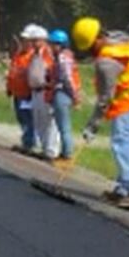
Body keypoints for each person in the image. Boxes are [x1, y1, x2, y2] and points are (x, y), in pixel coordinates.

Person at [72, 17, 129, 209]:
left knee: (121, 142)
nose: (90, 53)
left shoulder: (106, 62)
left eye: (89, 48)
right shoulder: (121, 41)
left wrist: (92, 125)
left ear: (95, 41)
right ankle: (124, 189)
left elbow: (105, 98)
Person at [47, 29, 81, 164]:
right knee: (61, 126)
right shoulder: (64, 57)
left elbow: (68, 78)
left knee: (64, 126)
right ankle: (64, 153)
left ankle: (67, 155)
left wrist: (75, 97)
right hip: (61, 93)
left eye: (53, 44)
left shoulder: (63, 58)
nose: (51, 47)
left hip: (63, 94)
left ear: (60, 44)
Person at [26, 25, 58, 161]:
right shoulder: (34, 55)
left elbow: (54, 71)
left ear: (42, 40)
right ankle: (44, 148)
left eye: (35, 40)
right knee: (38, 120)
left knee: (49, 122)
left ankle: (51, 151)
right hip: (35, 91)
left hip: (45, 90)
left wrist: (51, 84)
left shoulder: (48, 54)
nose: (32, 43)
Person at [5, 29, 35, 154]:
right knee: (20, 117)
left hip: (26, 94)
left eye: (26, 40)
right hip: (17, 93)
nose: (23, 42)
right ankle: (26, 140)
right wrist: (9, 87)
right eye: (22, 40)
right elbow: (13, 72)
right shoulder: (18, 55)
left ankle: (29, 142)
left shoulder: (32, 56)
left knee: (27, 118)